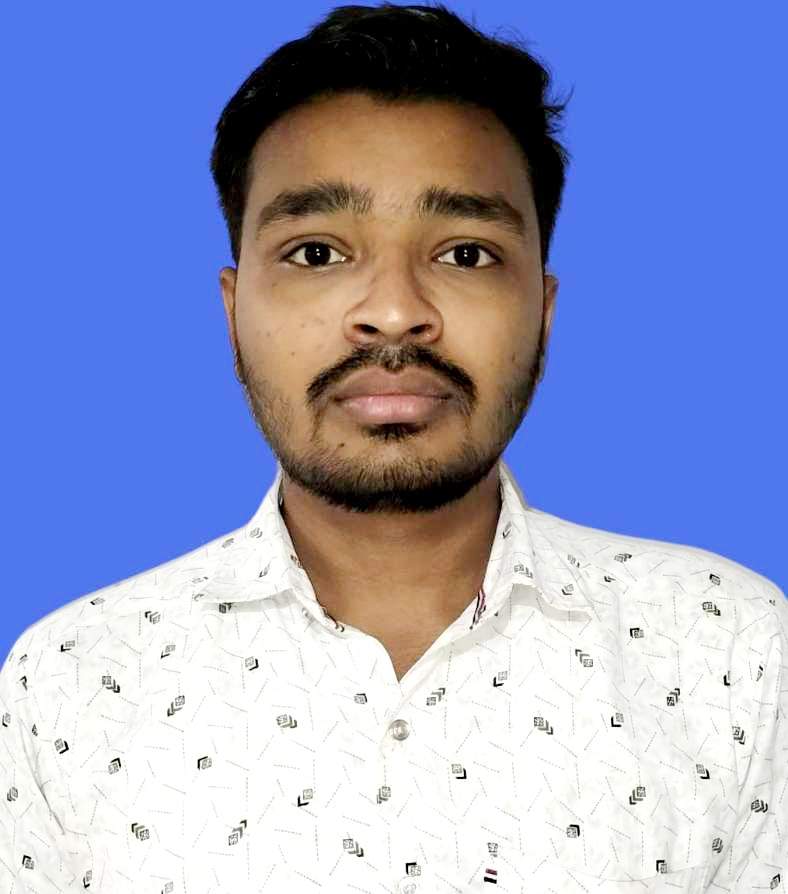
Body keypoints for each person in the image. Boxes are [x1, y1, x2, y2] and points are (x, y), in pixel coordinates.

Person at [1, 3, 785, 892]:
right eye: (316, 252)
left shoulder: (729, 652)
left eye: (465, 253)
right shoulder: (72, 680)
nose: (394, 311)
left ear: (543, 310)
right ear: (233, 309)